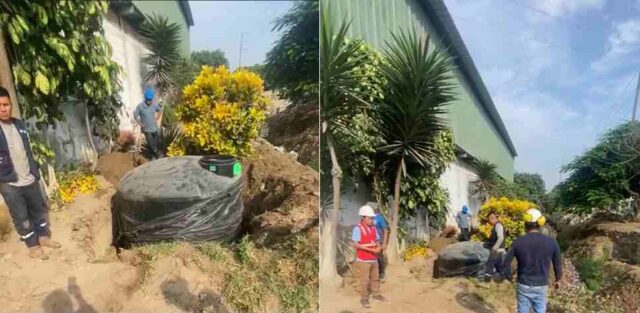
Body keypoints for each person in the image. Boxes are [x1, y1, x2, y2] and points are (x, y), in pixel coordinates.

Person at [0, 86, 61, 260]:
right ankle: (33, 246)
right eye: (0, 105)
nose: (3, 108)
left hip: (29, 178)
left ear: (11, 105)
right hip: (9, 183)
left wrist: (35, 173)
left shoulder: (19, 124)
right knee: (22, 217)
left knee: (39, 211)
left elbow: (27, 150)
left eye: (6, 104)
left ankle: (43, 237)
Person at [502, 209, 562, 313]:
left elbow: (506, 263)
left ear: (525, 224)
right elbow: (557, 265)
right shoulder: (552, 242)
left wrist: (509, 277)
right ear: (540, 223)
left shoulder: (517, 242)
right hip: (541, 285)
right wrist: (558, 279)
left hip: (523, 284)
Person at [352, 205, 388, 308]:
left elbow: (377, 240)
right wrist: (371, 249)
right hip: (363, 259)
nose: (372, 220)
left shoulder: (373, 228)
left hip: (373, 258)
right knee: (364, 280)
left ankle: (376, 294)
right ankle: (364, 299)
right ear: (363, 218)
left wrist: (379, 247)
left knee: (375, 277)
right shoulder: (357, 229)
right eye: (369, 218)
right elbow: (355, 244)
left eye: (372, 218)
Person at [134, 88, 163, 160]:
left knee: (155, 143)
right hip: (147, 129)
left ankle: (153, 156)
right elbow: (135, 116)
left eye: (150, 100)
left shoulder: (154, 105)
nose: (149, 101)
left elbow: (160, 110)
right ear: (145, 98)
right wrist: (140, 124)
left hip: (154, 128)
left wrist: (157, 118)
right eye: (148, 99)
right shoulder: (140, 106)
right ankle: (158, 154)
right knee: (151, 143)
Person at [483, 210, 505, 282]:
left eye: (489, 219)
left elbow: (501, 237)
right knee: (499, 266)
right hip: (499, 250)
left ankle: (486, 282)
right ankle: (503, 279)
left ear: (493, 218)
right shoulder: (496, 226)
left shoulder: (498, 225)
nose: (489, 222)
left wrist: (495, 248)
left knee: (489, 266)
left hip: (497, 250)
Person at [372, 205, 389, 282]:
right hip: (372, 240)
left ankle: (381, 274)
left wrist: (384, 243)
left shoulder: (379, 218)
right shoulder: (369, 217)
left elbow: (385, 230)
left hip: (380, 240)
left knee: (379, 257)